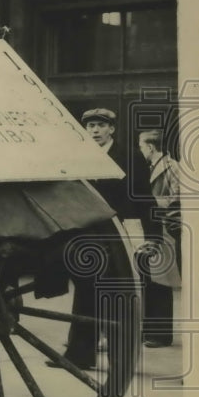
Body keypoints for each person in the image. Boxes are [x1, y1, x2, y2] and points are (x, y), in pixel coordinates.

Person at [49, 107, 135, 371]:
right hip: (86, 233)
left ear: (112, 129)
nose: (95, 131)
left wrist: (138, 236)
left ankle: (122, 361)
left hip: (117, 233)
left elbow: (139, 199)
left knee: (118, 293)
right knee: (86, 291)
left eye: (100, 125)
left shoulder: (128, 157)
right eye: (90, 126)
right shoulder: (80, 157)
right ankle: (79, 356)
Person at [137, 129, 181, 348]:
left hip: (164, 229)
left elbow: (179, 199)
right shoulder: (151, 168)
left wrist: (156, 206)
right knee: (150, 280)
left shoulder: (172, 167)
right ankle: (150, 330)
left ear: (150, 147)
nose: (140, 150)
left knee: (161, 283)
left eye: (141, 147)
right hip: (152, 228)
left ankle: (161, 335)